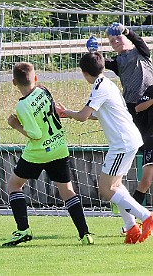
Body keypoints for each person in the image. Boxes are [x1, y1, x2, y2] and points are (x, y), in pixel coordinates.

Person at [56, 52, 153, 244]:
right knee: (114, 186)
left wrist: (70, 113)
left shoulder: (100, 87)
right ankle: (132, 227)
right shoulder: (106, 83)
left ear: (84, 73)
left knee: (106, 189)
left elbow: (84, 116)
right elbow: (97, 114)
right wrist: (70, 113)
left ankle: (146, 216)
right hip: (126, 140)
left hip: (122, 143)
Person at [2, 62, 94, 247]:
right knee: (67, 191)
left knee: (14, 185)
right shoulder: (44, 90)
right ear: (35, 78)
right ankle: (85, 234)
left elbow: (35, 134)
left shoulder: (22, 106)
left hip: (37, 153)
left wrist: (16, 125)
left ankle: (23, 229)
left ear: (14, 82)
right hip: (59, 146)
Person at [104, 22, 153, 205]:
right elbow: (99, 64)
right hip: (131, 110)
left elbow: (138, 40)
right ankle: (122, 197)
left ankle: (133, 201)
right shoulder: (118, 62)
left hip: (148, 106)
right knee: (133, 150)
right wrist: (91, 52)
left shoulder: (141, 52)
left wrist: (126, 30)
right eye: (112, 40)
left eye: (118, 37)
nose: (116, 41)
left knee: (148, 150)